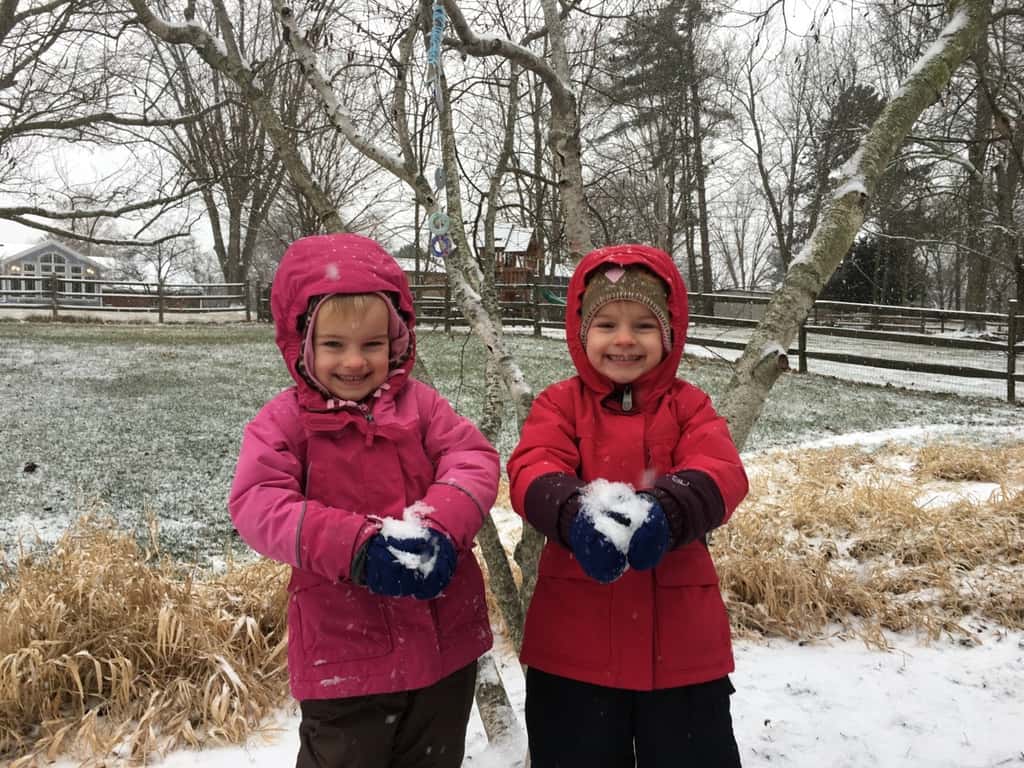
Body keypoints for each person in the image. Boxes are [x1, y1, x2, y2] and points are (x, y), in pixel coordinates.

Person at [229, 233, 499, 768]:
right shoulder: (286, 423)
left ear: (396, 343)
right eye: (334, 346)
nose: (354, 361)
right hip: (345, 658)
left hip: (446, 649)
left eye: (372, 345)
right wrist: (356, 547)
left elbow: (473, 460)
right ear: (302, 343)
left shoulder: (421, 407)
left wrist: (442, 526)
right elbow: (259, 503)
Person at [507, 243, 749, 768]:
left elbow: (722, 470)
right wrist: (573, 514)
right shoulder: (558, 404)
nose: (623, 339)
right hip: (574, 649)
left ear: (668, 335)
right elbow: (531, 468)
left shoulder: (690, 406)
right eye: (606, 325)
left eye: (643, 325)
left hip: (682, 652)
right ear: (581, 334)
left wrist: (671, 510)